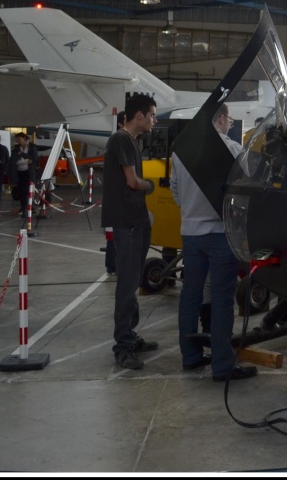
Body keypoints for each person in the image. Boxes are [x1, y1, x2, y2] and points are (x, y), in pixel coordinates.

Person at [171, 104, 257, 382]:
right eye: (229, 120)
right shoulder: (232, 150)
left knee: (191, 296)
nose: (229, 125)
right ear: (220, 118)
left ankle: (190, 356)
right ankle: (222, 365)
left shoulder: (180, 152)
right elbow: (245, 188)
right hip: (220, 234)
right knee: (221, 299)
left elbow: (175, 189)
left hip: (190, 233)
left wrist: (190, 211)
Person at [103, 93, 159, 370]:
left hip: (137, 221)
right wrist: (151, 185)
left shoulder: (133, 142)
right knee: (126, 286)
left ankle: (131, 336)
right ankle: (122, 346)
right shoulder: (121, 140)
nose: (154, 120)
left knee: (133, 282)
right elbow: (133, 182)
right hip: (126, 224)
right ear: (139, 116)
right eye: (151, 115)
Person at [102, 111, 129, 275]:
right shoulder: (120, 140)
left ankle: (113, 264)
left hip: (116, 198)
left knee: (115, 234)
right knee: (115, 235)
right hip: (116, 198)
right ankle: (113, 264)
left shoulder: (119, 140)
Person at [9, 133, 39, 217]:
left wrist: (22, 154)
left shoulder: (32, 148)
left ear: (25, 139)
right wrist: (25, 160)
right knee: (21, 191)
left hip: (28, 172)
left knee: (28, 190)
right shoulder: (15, 149)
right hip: (19, 172)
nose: (17, 140)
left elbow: (32, 158)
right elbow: (13, 161)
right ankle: (24, 207)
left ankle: (28, 207)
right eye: (16, 139)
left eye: (19, 138)